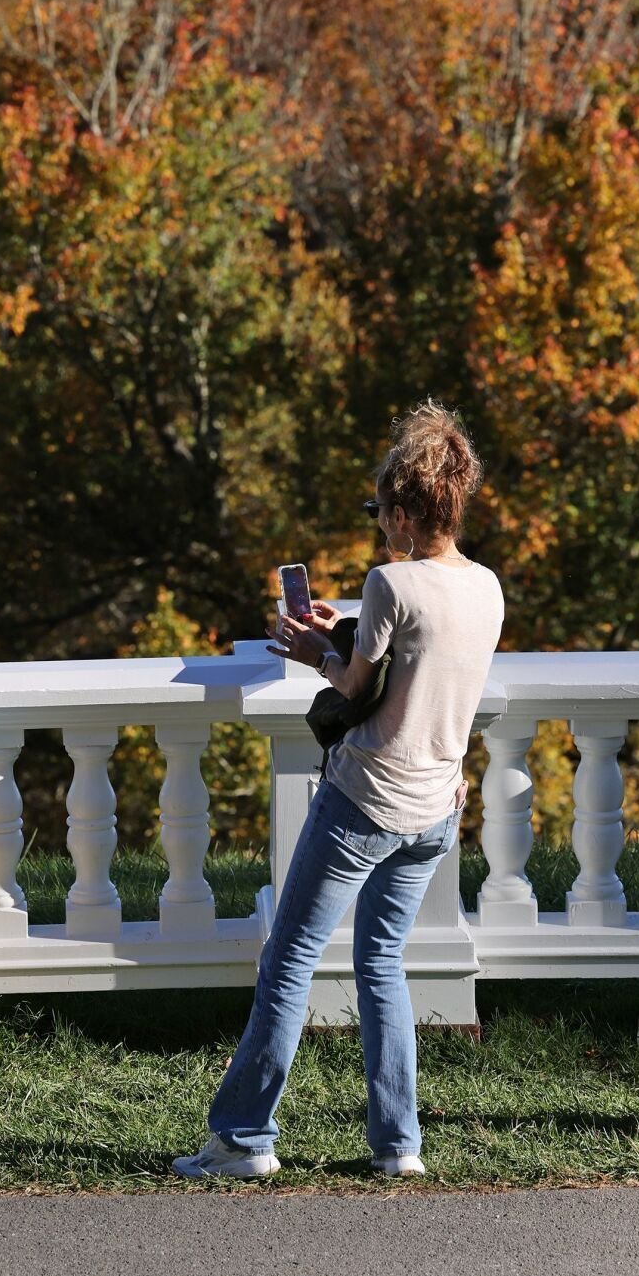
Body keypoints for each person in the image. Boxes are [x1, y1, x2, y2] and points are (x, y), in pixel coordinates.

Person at [173, 399, 503, 1179]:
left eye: (380, 507)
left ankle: (244, 1139)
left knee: (289, 961)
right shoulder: (486, 587)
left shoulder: (389, 580)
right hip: (434, 810)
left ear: (404, 507)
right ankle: (399, 1144)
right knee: (382, 962)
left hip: (364, 800)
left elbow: (355, 683)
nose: (379, 521)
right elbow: (419, 661)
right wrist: (345, 631)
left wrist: (313, 650)